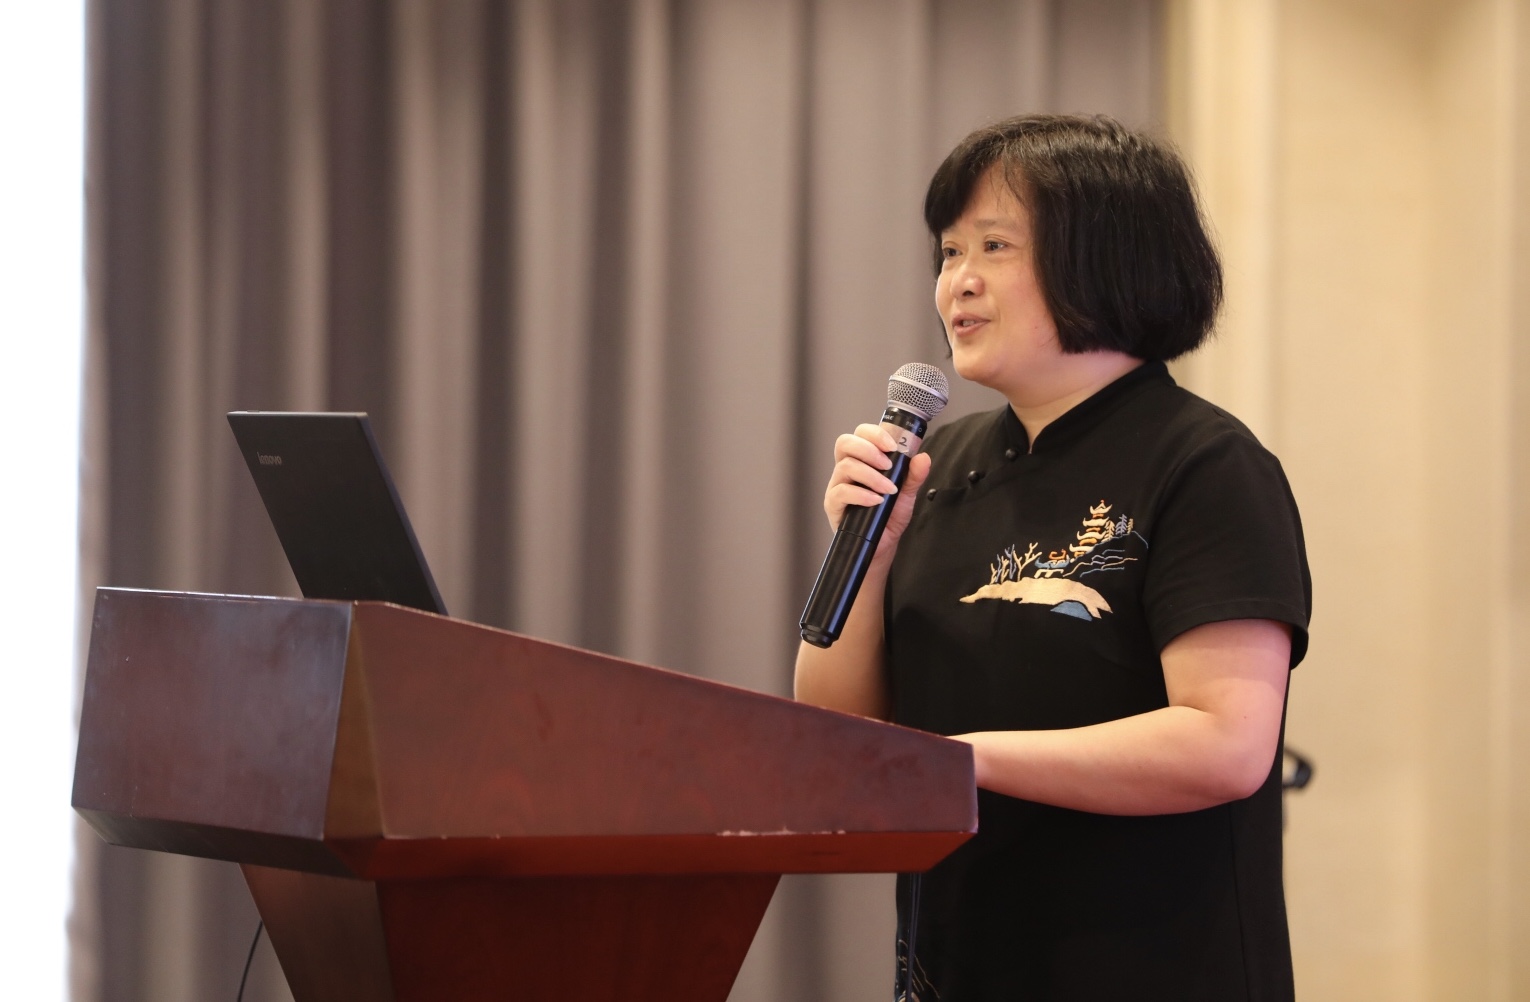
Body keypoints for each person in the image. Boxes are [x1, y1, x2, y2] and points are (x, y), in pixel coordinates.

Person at [794, 115, 1311, 1001]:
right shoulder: (938, 464)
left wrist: (965, 760)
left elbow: (1224, 744)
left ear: (1107, 260)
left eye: (994, 246)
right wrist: (868, 554)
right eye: (949, 252)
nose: (957, 281)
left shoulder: (1205, 464)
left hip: (1153, 971)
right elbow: (843, 732)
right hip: (958, 964)